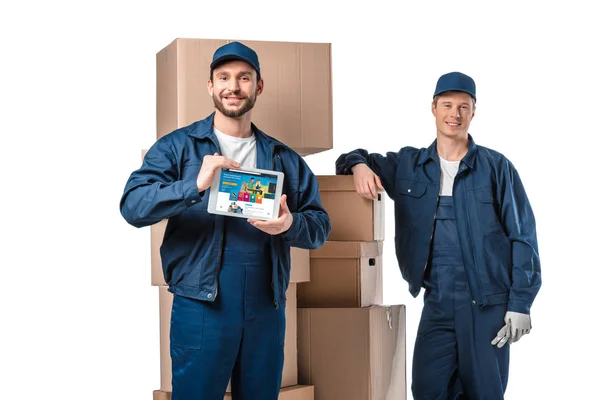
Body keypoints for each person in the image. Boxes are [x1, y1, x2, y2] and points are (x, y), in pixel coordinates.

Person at [120, 41, 330, 400]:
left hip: (266, 305)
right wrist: (194, 185)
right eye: (224, 77)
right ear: (211, 85)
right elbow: (133, 206)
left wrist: (289, 225)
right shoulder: (177, 147)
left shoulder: (284, 158)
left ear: (258, 86)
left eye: (244, 78)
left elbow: (319, 226)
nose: (233, 86)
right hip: (202, 305)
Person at [335, 72, 541, 399]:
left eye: (463, 107)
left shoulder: (497, 168)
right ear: (433, 108)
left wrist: (521, 303)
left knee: (485, 392)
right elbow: (350, 158)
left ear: (474, 112)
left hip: (488, 303)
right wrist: (359, 166)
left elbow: (523, 236)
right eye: (447, 105)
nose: (454, 115)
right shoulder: (410, 166)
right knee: (428, 387)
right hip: (438, 301)